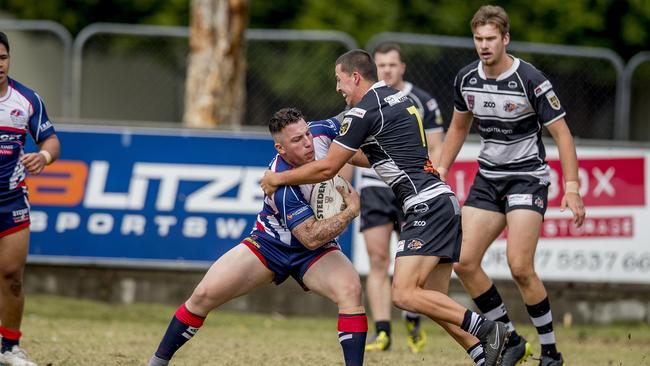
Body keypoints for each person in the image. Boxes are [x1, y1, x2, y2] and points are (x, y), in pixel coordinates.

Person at [261, 49, 510, 366]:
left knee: (404, 294)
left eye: (340, 81)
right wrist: (343, 149)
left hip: (426, 205)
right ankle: (485, 355)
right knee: (433, 301)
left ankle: (491, 331)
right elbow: (376, 156)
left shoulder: (363, 112)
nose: (338, 88)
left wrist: (278, 178)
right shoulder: (399, 98)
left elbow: (327, 169)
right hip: (442, 200)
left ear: (354, 77)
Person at [148, 109, 367, 366]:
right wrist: (350, 211)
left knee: (350, 289)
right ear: (280, 148)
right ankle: (157, 362)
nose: (307, 142)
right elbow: (310, 237)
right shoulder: (279, 185)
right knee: (202, 295)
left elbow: (356, 119)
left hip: (315, 254)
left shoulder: (320, 132)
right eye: (297, 140)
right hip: (269, 245)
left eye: (306, 133)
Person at [437, 5, 586, 366]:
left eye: (491, 39)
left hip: (527, 177)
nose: (484, 46)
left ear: (505, 38)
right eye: (478, 39)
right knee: (464, 261)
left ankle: (550, 351)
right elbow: (458, 128)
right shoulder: (466, 78)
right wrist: (440, 167)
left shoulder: (530, 79)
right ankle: (510, 338)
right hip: (489, 178)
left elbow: (562, 134)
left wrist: (572, 187)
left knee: (520, 266)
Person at [361, 42, 445, 353]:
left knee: (410, 260)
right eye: (380, 65)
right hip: (374, 186)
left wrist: (432, 175)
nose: (386, 70)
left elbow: (437, 146)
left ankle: (412, 316)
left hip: (412, 187)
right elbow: (347, 149)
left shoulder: (422, 101)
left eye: (392, 64)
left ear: (402, 67)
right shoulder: (363, 102)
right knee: (378, 258)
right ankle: (382, 331)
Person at [0, 31, 61, 366]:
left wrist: (44, 157)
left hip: (11, 202)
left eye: (3, 58)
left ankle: (9, 348)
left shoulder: (26, 100)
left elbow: (51, 141)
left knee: (12, 276)